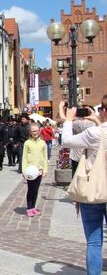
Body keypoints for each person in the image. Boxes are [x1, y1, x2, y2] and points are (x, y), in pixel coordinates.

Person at [60, 97, 107, 275]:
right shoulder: (97, 129)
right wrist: (96, 119)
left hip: (93, 191)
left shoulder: (95, 133)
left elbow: (66, 141)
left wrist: (69, 120)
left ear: (104, 110)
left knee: (94, 243)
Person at [21, 122, 48, 217]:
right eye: (33, 131)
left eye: (36, 131)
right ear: (30, 132)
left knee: (36, 189)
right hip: (30, 170)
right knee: (30, 189)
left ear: (39, 131)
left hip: (39, 170)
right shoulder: (27, 143)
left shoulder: (43, 143)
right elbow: (24, 157)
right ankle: (29, 208)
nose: (35, 133)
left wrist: (45, 169)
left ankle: (33, 207)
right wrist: (23, 170)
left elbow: (45, 157)